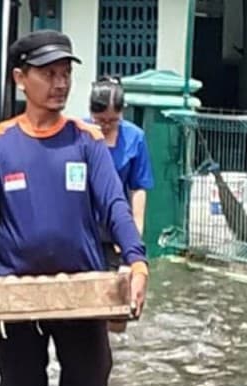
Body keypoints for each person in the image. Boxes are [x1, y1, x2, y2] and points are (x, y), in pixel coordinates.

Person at [0, 30, 149, 386]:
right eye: (48, 74)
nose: (60, 84)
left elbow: (115, 204)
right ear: (21, 79)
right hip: (16, 297)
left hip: (84, 293)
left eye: (64, 74)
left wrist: (137, 259)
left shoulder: (86, 140)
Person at [88, 76, 154, 333]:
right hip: (85, 228)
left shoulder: (134, 138)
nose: (105, 126)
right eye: (100, 120)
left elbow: (139, 187)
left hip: (117, 227)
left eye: (112, 121)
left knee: (118, 307)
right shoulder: (80, 133)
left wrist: (134, 231)